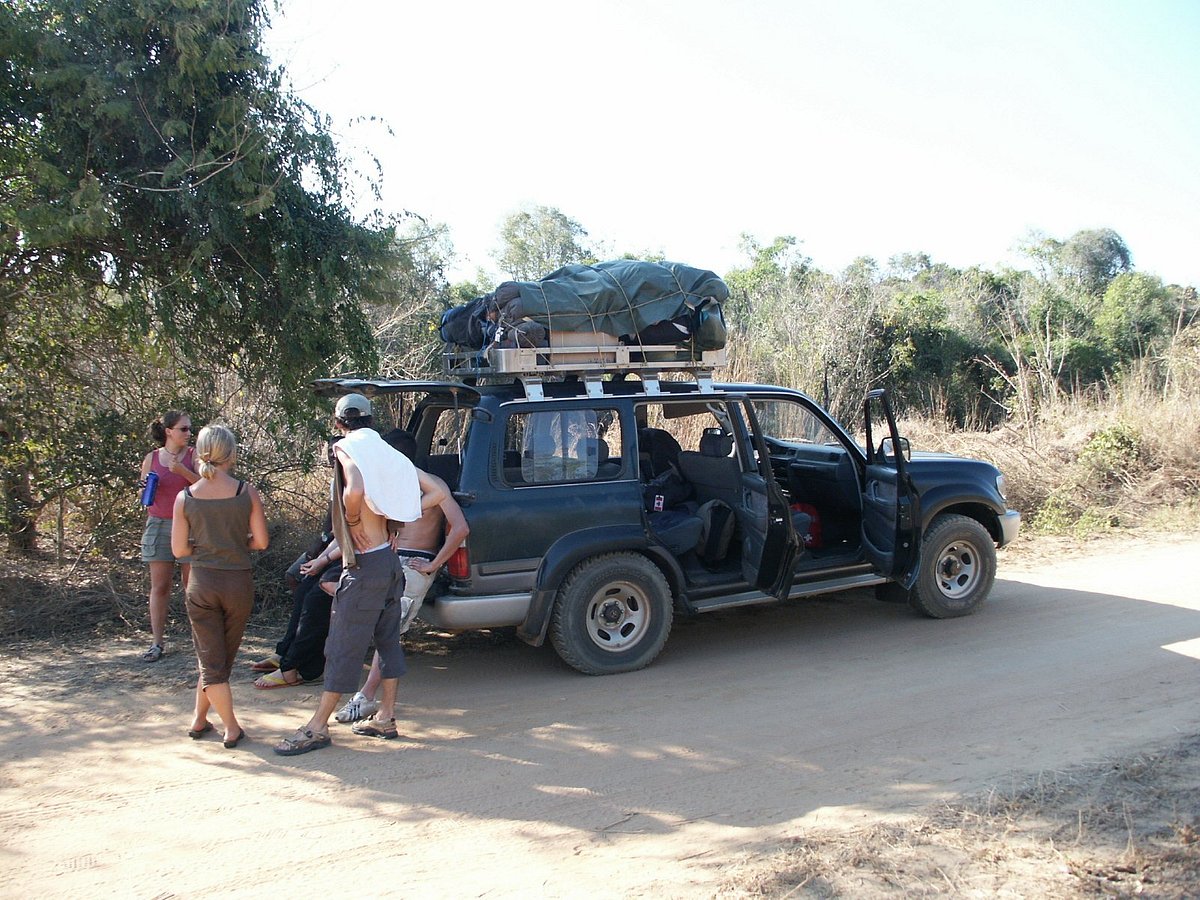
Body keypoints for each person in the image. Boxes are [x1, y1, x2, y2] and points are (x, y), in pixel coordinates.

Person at [273, 394, 447, 756]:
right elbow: (439, 491)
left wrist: (353, 519)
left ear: (339, 423)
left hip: (365, 566)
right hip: (388, 562)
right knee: (388, 641)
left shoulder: (347, 450)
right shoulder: (389, 454)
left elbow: (353, 487)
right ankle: (385, 716)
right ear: (371, 419)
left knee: (341, 647)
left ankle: (317, 726)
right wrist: (398, 511)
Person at [334, 429, 469, 724]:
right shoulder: (384, 486)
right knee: (376, 624)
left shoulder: (431, 486)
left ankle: (368, 698)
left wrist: (434, 566)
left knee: (390, 631)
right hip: (387, 559)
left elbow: (460, 528)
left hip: (416, 564)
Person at [171, 424, 268, 749]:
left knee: (212, 661)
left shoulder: (185, 497)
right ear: (232, 453)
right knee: (217, 661)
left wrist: (206, 544)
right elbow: (261, 542)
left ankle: (212, 723)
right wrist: (235, 542)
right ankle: (226, 725)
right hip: (237, 583)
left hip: (201, 583)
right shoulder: (245, 491)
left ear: (200, 453)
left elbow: (179, 551)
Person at [138, 410, 200, 662]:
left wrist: (182, 472)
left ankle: (199, 640)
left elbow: (204, 486)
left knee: (192, 587)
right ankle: (157, 643)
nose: (188, 433)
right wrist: (144, 488)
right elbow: (145, 498)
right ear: (168, 432)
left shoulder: (194, 456)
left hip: (189, 525)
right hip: (159, 524)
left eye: (189, 429)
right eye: (183, 429)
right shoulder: (151, 458)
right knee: (160, 587)